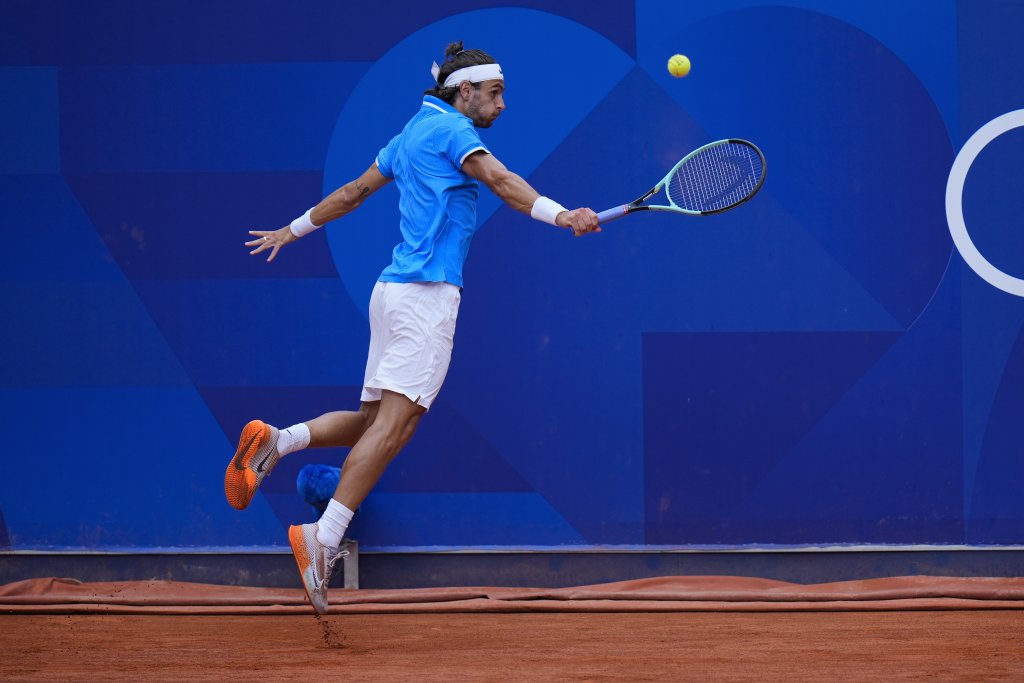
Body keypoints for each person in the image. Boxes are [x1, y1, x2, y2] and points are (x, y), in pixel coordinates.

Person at [224, 41, 601, 613]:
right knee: (394, 430)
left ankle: (280, 441)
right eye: (494, 93)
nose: (502, 105)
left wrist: (292, 230)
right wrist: (563, 214)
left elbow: (353, 193)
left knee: (372, 422)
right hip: (426, 298)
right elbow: (501, 181)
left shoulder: (410, 133)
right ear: (464, 91)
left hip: (391, 294)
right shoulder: (453, 131)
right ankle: (323, 538)